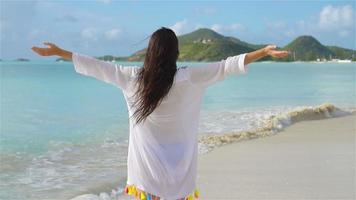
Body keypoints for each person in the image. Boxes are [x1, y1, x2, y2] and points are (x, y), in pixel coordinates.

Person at [31, 27, 288, 200]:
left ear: (150, 52)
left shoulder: (131, 78)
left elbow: (95, 66)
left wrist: (60, 53)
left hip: (145, 180)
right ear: (176, 53)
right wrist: (263, 52)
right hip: (181, 181)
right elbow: (227, 66)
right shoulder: (190, 78)